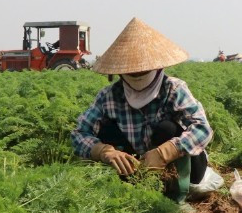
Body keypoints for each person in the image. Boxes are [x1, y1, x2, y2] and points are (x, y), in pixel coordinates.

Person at [70, 17, 213, 202]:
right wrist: (105, 151)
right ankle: (133, 182)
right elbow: (79, 133)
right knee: (107, 131)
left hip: (181, 166)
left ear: (158, 67)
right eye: (132, 73)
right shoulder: (110, 95)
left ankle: (173, 191)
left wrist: (164, 153)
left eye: (142, 72)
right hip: (136, 165)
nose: (138, 77)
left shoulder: (173, 89)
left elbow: (202, 128)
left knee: (167, 128)